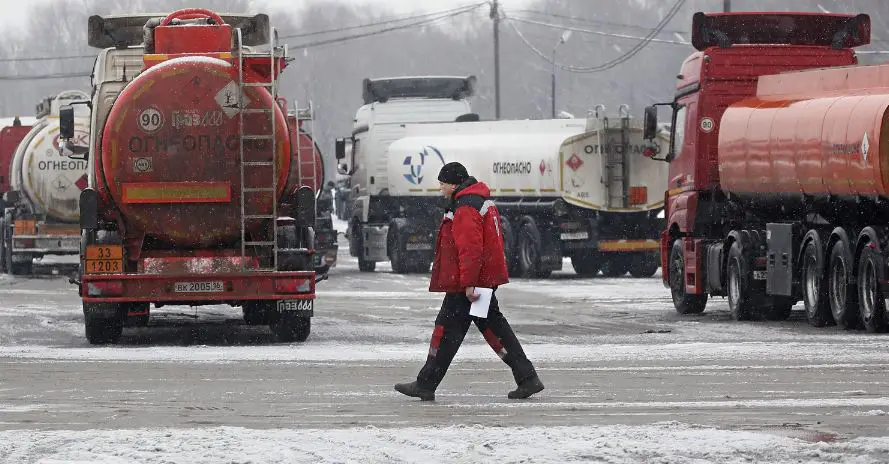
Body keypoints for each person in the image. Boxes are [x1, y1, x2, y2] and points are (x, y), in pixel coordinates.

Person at [394, 162, 544, 401]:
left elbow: (470, 249)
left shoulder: (465, 207)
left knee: (447, 331)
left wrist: (468, 284)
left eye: (442, 183)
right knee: (488, 326)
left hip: (469, 284)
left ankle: (426, 383)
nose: (440, 187)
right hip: (477, 281)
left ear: (454, 184)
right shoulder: (477, 201)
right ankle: (527, 377)